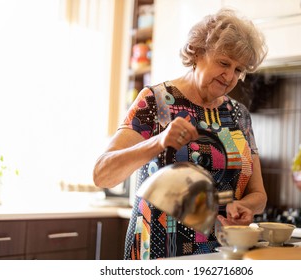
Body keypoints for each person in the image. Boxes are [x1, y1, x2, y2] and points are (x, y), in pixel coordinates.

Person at [93, 8, 268, 260]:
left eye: (238, 70)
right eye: (224, 63)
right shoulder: (155, 101)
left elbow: (259, 194)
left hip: (219, 254)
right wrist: (158, 141)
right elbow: (102, 174)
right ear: (198, 53)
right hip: (157, 253)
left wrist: (245, 207)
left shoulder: (239, 114)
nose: (230, 76)